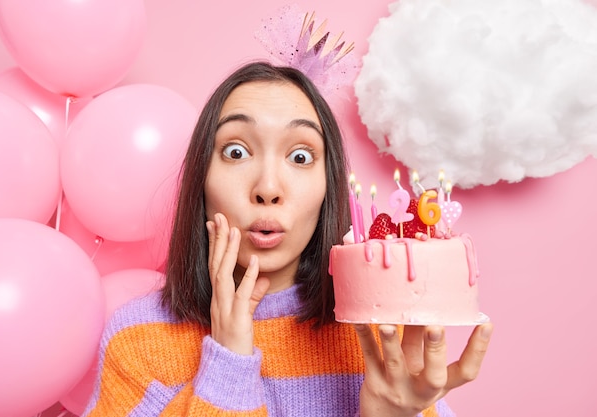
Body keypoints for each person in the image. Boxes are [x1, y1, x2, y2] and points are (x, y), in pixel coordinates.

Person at [82, 61, 493, 417]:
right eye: (237, 152)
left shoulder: (382, 338)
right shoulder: (137, 339)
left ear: (328, 187)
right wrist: (228, 365)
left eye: (300, 157)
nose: (268, 187)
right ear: (200, 181)